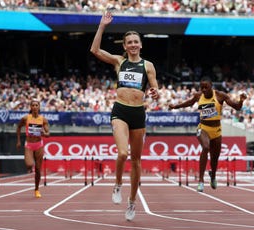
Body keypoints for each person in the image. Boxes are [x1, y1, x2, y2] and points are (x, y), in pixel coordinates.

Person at [90, 10, 159, 221]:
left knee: (137, 161)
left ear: (141, 44)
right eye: (129, 42)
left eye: (136, 41)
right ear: (124, 46)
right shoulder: (119, 62)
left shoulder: (148, 66)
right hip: (120, 110)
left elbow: (155, 88)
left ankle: (131, 202)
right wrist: (102, 26)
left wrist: (155, 92)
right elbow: (94, 50)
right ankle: (117, 185)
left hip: (138, 113)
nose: (133, 45)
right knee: (122, 154)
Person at [169, 77, 247, 192]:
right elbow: (189, 103)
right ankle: (201, 181)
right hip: (203, 127)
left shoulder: (220, 95)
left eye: (206, 87)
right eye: (202, 87)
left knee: (215, 158)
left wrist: (241, 100)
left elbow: (237, 107)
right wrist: (176, 107)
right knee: (205, 147)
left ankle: (213, 176)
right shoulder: (198, 95)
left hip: (216, 130)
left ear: (212, 86)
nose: (204, 89)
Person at [16, 99, 50, 198]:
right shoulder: (26, 118)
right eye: (33, 105)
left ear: (39, 107)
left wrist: (45, 134)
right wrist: (18, 141)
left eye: (36, 105)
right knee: (29, 164)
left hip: (39, 145)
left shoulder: (43, 119)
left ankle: (36, 189)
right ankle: (30, 167)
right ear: (30, 107)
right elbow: (18, 128)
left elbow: (48, 133)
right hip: (29, 145)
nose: (35, 107)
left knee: (38, 170)